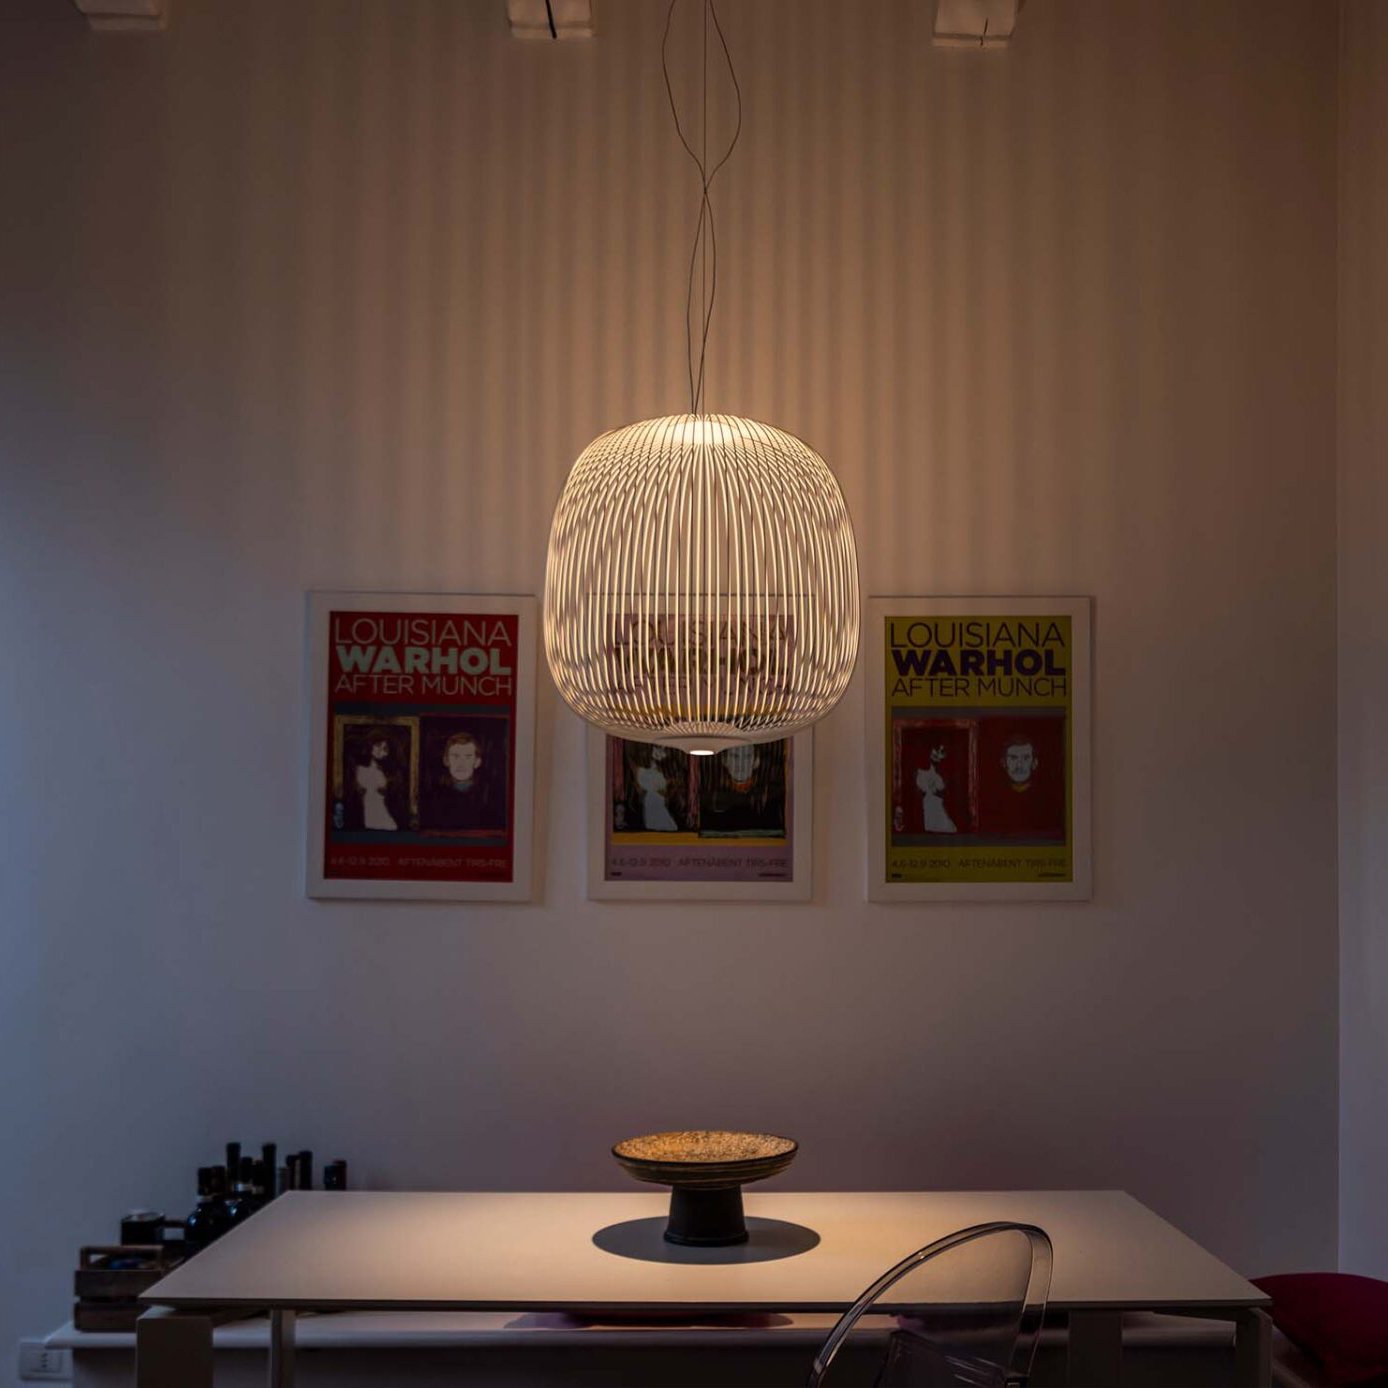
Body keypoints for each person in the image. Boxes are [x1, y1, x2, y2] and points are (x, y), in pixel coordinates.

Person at [982, 730, 1064, 839]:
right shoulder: (992, 800)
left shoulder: (1048, 801)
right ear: (1004, 763)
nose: (1019, 765)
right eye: (1013, 758)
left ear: (1034, 763)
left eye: (1025, 758)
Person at [699, 742, 787, 835]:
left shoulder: (770, 794)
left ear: (756, 761)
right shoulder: (712, 794)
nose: (740, 764)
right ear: (725, 760)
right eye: (734, 756)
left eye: (748, 756)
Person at [426, 731, 497, 831]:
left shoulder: (487, 794)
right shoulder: (434, 795)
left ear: (477, 762)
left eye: (468, 757)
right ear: (446, 760)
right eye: (455, 756)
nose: (461, 763)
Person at [345, 727, 405, 831]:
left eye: (385, 748)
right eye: (378, 745)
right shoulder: (359, 769)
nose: (380, 750)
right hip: (366, 815)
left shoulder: (385, 771)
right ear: (370, 745)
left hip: (382, 814)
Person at [916, 744, 957, 834]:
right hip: (930, 808)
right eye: (935, 754)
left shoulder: (940, 777)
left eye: (941, 753)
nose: (938, 757)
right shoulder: (922, 775)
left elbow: (942, 790)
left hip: (938, 808)